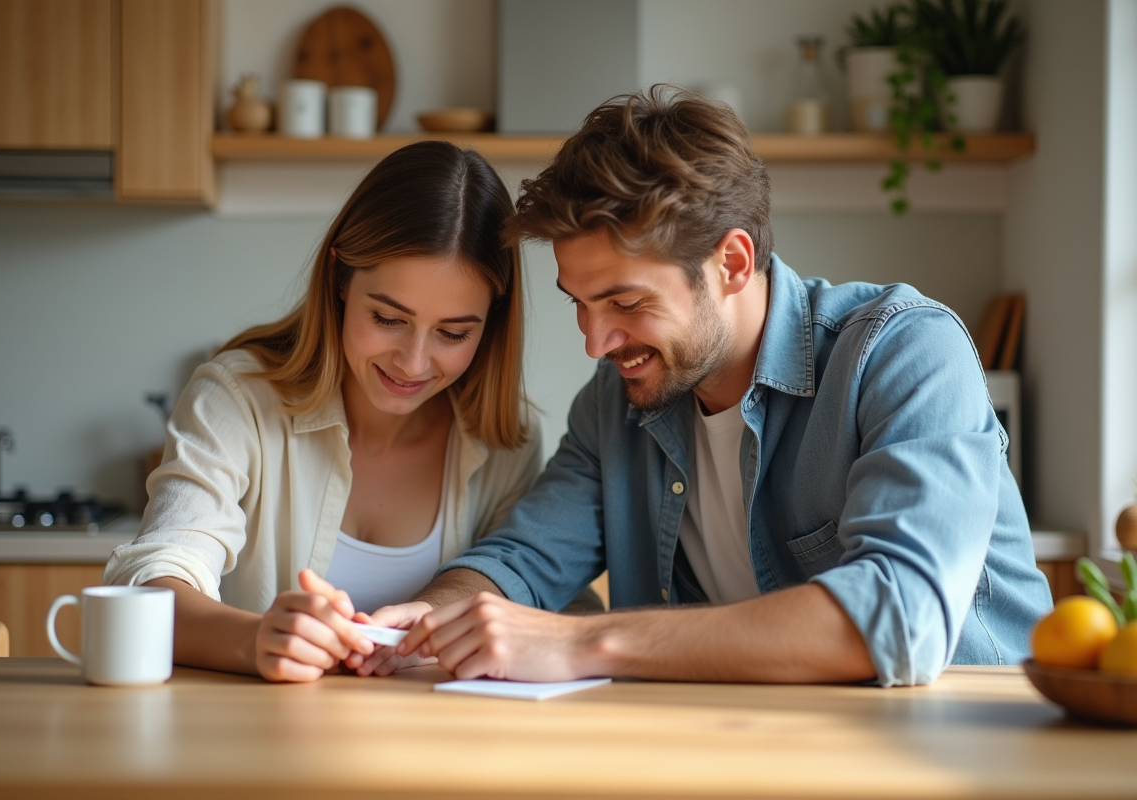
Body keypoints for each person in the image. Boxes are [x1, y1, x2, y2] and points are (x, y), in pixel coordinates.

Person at [353, 88, 1053, 687]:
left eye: (625, 303)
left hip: (963, 755)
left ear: (733, 263)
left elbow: (900, 615)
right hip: (741, 746)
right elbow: (523, 559)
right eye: (579, 303)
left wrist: (579, 643)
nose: (595, 343)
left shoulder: (903, 350)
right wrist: (436, 612)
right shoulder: (616, 399)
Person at [104, 141, 546, 682]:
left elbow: (525, 597)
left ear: (491, 323)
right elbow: (156, 578)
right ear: (339, 279)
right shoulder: (237, 396)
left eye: (453, 333)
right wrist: (255, 639)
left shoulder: (507, 438)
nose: (412, 362)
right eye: (387, 319)